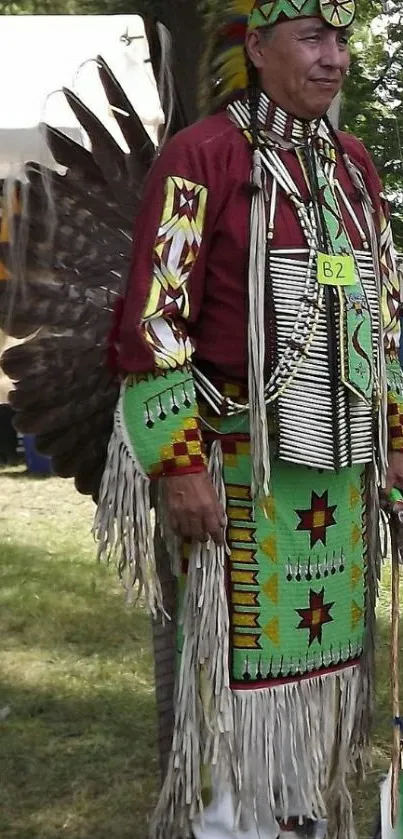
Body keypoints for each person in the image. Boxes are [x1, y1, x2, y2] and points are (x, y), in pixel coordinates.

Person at [94, 1, 403, 837]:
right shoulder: (202, 159)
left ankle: (298, 814)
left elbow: (382, 314)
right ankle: (235, 825)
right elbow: (156, 324)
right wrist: (178, 459)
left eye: (340, 39)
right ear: (258, 48)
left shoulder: (350, 166)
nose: (333, 57)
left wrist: (396, 434)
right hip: (241, 465)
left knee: (327, 669)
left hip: (337, 472)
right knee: (239, 679)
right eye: (312, 38)